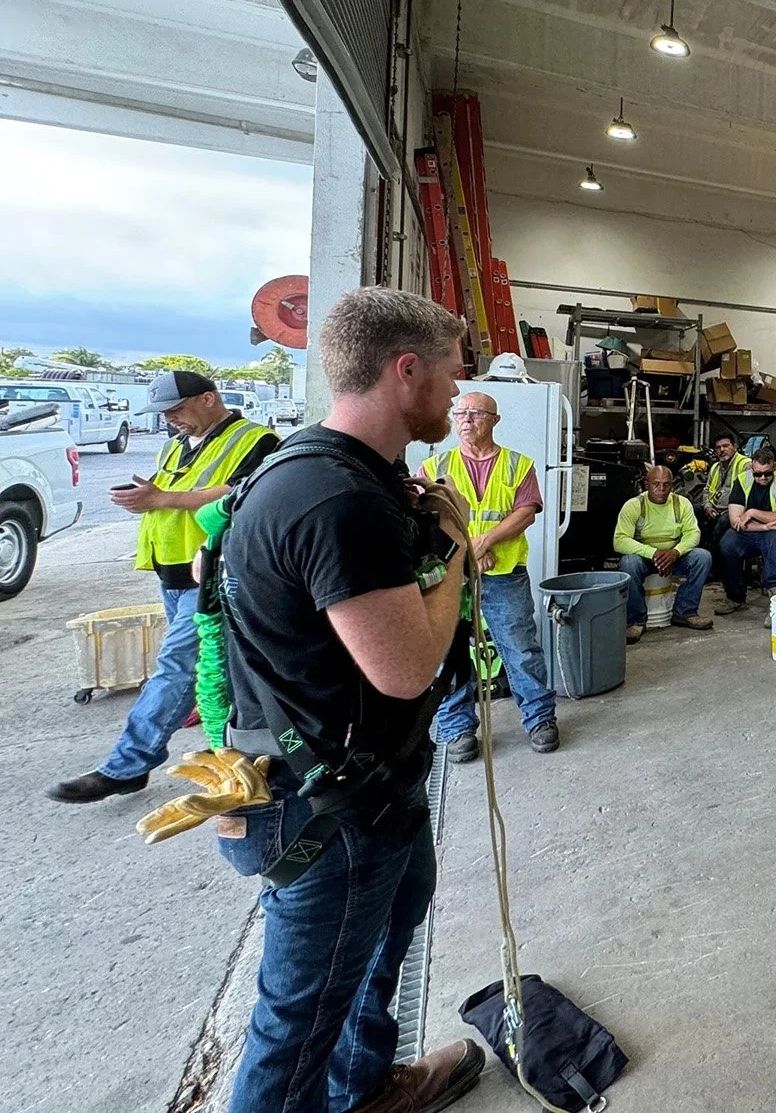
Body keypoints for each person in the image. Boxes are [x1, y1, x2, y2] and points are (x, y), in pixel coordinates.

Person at [211, 286, 485, 1110]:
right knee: (296, 1026)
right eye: (451, 376)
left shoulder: (328, 472)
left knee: (379, 951)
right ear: (406, 372)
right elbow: (406, 669)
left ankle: (366, 1089)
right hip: (325, 807)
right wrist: (458, 552)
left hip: (364, 784)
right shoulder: (338, 501)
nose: (460, 395)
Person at [48, 371, 277, 804]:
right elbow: (173, 492)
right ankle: (235, 746)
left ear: (208, 399)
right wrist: (146, 499)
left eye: (176, 409)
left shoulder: (256, 440)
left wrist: (160, 500)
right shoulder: (178, 443)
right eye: (163, 413)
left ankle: (127, 765)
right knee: (215, 668)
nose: (170, 419)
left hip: (213, 574)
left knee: (176, 669)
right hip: (172, 572)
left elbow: (241, 494)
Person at [421, 391, 558, 763]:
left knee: (521, 649)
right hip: (451, 576)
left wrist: (484, 542)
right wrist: (466, 552)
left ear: (494, 421)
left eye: (476, 413)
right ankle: (457, 728)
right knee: (448, 654)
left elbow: (526, 511)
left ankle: (540, 719)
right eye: (460, 412)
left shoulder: (517, 464)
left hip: (504, 573)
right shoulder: (436, 465)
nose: (466, 419)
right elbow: (428, 518)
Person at [613, 465, 714, 640]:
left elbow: (693, 533)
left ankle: (685, 611)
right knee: (629, 563)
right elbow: (620, 540)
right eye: (656, 484)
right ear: (647, 484)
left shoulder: (681, 503)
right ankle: (636, 621)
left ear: (672, 485)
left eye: (666, 484)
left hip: (673, 556)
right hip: (645, 557)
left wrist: (676, 552)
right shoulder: (634, 505)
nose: (661, 489)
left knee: (702, 557)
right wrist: (653, 553)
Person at [716, 446, 776, 607]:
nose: (762, 477)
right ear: (751, 469)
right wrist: (764, 527)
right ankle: (734, 596)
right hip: (757, 530)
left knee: (774, 539)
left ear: (774, 467)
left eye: (767, 473)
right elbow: (736, 521)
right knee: (728, 542)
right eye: (757, 474)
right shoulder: (742, 481)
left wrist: (752, 513)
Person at [700, 431, 749, 549]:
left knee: (722, 522)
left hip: (735, 511)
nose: (722, 450)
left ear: (735, 446)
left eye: (726, 446)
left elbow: (749, 494)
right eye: (718, 447)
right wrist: (707, 506)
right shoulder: (715, 467)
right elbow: (706, 490)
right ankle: (701, 553)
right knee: (693, 512)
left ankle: (716, 557)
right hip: (714, 508)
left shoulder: (745, 465)